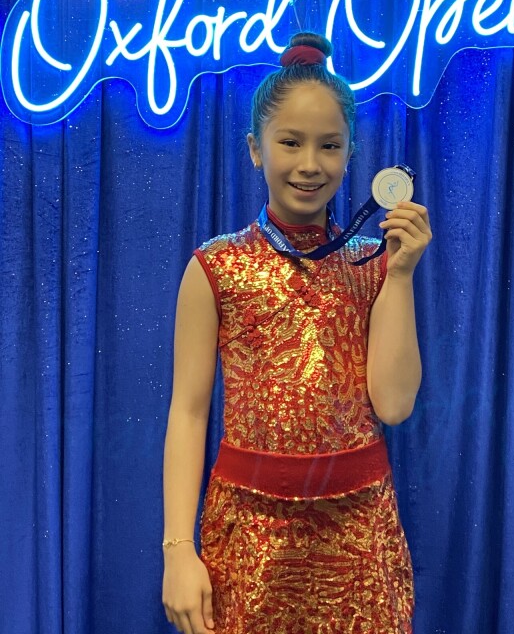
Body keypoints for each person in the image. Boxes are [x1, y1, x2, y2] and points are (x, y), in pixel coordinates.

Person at [162, 31, 432, 634]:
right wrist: (178, 551)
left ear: (350, 154)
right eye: (290, 142)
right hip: (248, 540)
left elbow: (393, 405)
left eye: (329, 146)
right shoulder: (215, 266)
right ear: (255, 150)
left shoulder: (374, 261)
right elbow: (188, 413)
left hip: (361, 536)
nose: (310, 164)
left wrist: (401, 274)